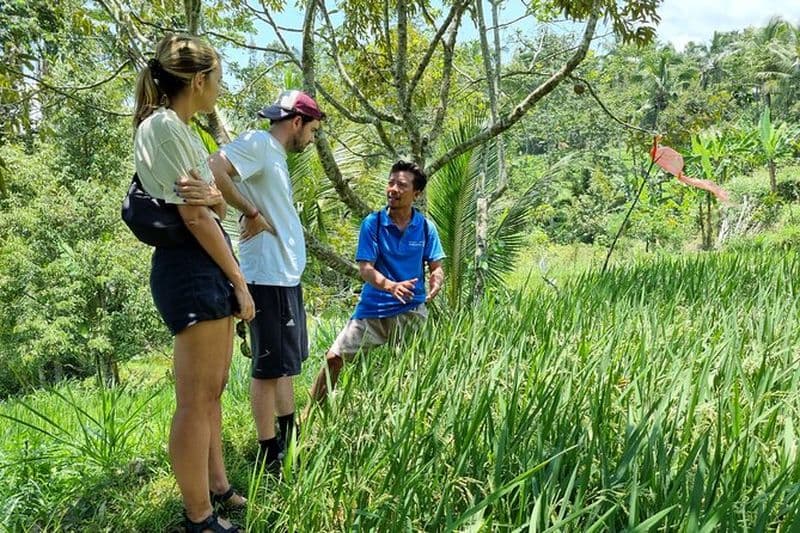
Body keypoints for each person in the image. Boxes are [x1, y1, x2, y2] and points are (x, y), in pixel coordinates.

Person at [132, 33, 252, 533]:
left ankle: (217, 487)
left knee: (213, 391)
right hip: (192, 265)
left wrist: (215, 202)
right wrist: (240, 282)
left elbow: (215, 205)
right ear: (199, 80)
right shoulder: (162, 127)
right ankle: (198, 518)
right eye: (218, 80)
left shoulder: (180, 129)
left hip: (204, 262)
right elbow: (198, 217)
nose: (219, 90)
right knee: (195, 400)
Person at [207, 90, 324, 470]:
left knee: (287, 365)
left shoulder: (274, 158)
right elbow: (214, 167)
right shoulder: (259, 143)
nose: (311, 138)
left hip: (285, 275)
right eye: (312, 130)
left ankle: (289, 438)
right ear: (296, 122)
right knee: (268, 366)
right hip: (267, 276)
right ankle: (268, 453)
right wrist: (250, 211)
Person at [305, 160, 445, 411]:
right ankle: (309, 417)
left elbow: (436, 266)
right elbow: (365, 268)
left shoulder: (425, 227)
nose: (393, 189)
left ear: (417, 193)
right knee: (334, 358)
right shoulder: (374, 223)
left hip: (411, 310)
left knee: (412, 372)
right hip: (373, 309)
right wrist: (391, 286)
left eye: (401, 185)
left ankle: (407, 421)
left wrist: (436, 282)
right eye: (390, 182)